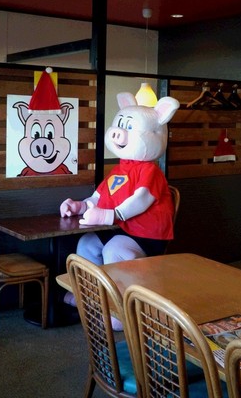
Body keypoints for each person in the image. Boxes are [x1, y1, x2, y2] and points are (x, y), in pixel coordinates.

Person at [60, 91, 179, 328]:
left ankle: (120, 312)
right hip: (120, 229)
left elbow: (140, 200)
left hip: (146, 236)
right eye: (120, 125)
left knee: (114, 249)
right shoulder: (120, 169)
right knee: (87, 243)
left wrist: (109, 215)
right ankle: (90, 297)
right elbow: (99, 196)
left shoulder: (151, 171)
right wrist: (80, 206)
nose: (119, 132)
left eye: (129, 128)